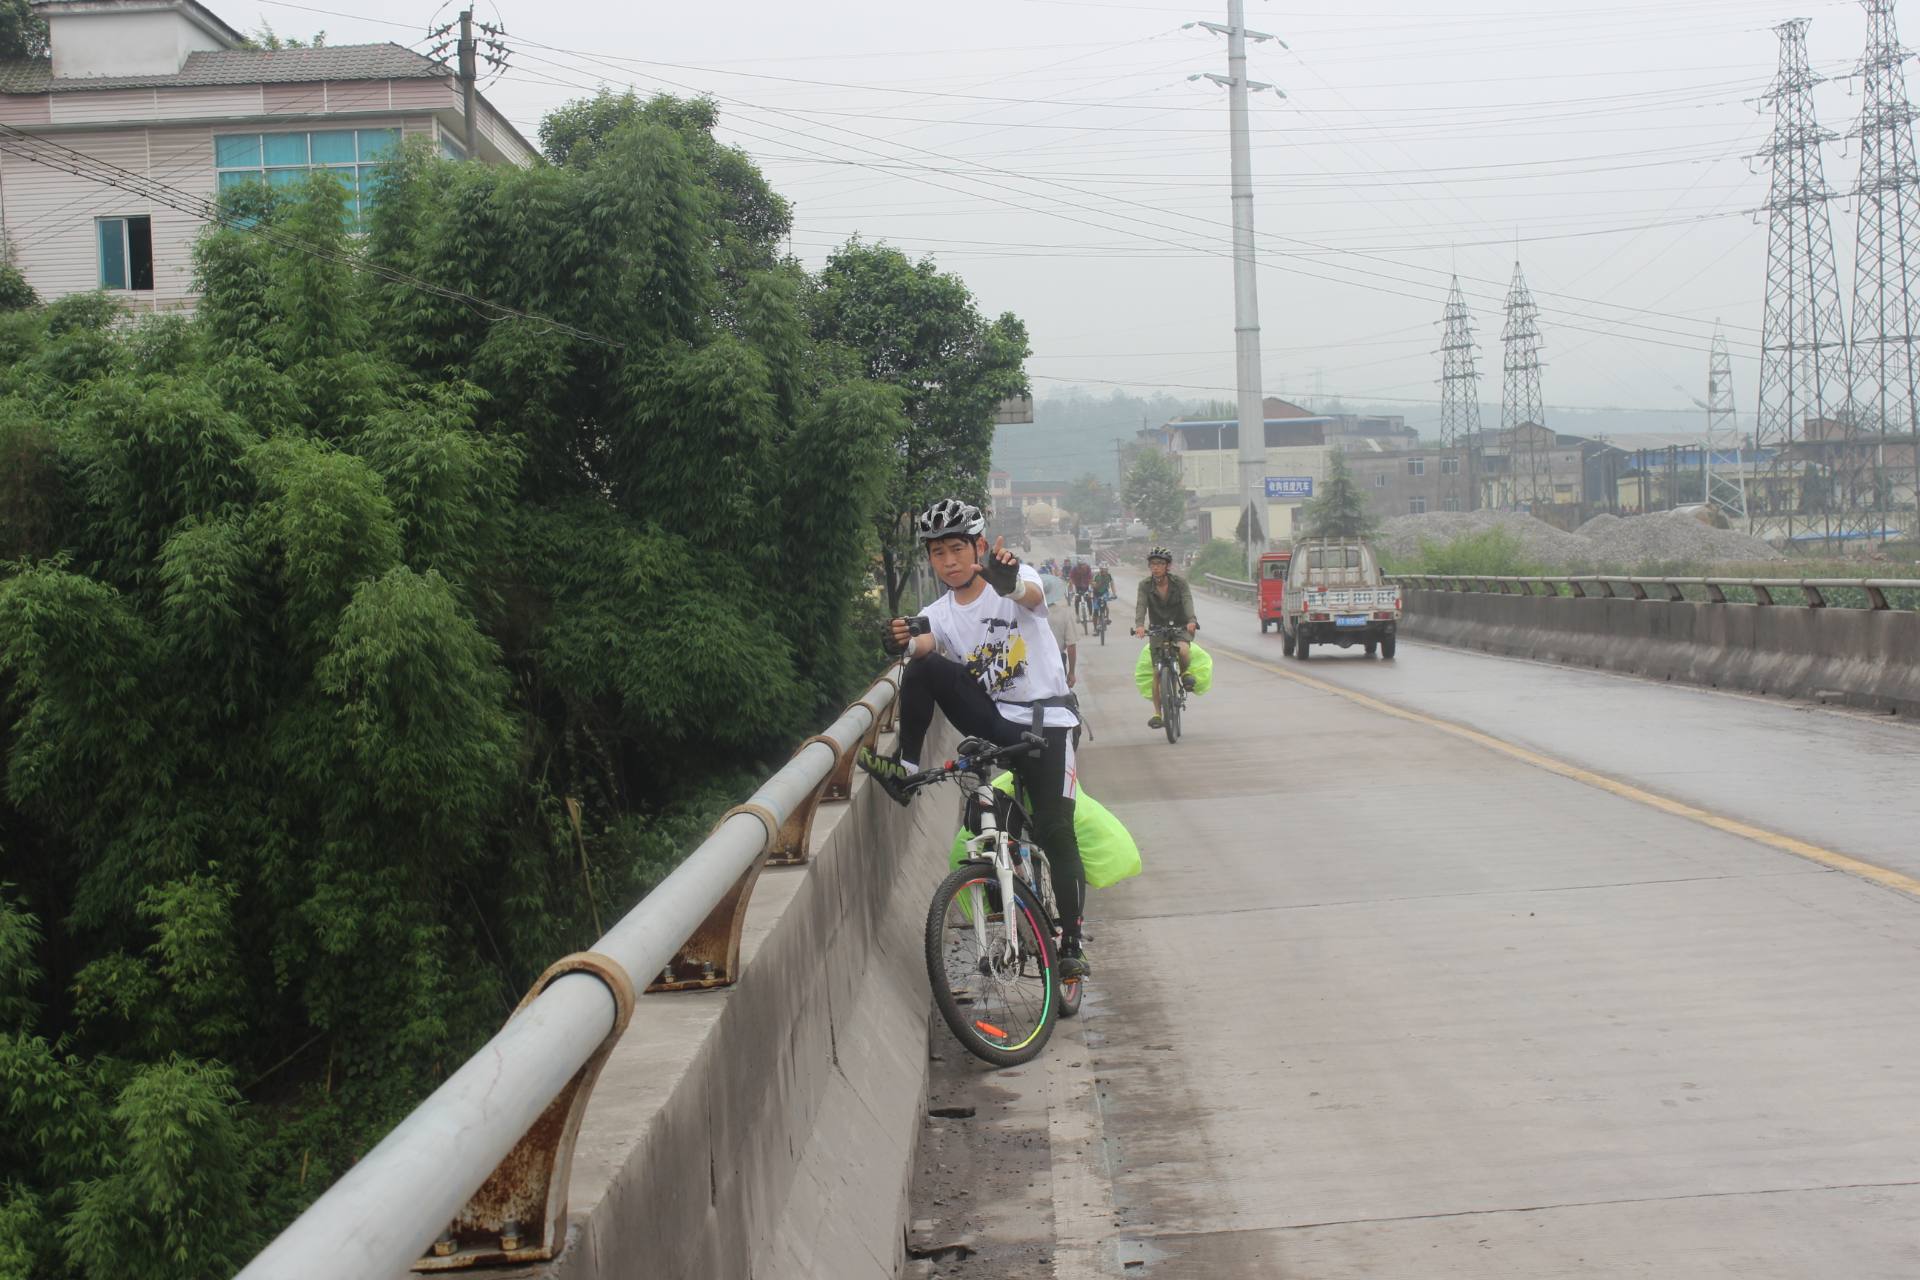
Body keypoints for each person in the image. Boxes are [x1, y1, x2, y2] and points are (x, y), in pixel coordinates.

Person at [861, 498, 1091, 979]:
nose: (948, 561)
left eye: (957, 549)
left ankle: (1070, 943)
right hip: (998, 721)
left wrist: (1006, 579)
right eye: (938, 552)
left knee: (1054, 830)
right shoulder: (940, 611)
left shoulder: (1012, 580)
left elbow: (1028, 594)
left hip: (1049, 724)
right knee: (922, 667)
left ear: (979, 547)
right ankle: (903, 774)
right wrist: (903, 638)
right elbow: (924, 641)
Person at [1132, 546, 1199, 731]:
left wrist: (1191, 620)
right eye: (1153, 564)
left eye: (1160, 564)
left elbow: (1187, 601)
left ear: (1168, 566)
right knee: (1156, 673)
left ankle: (1184, 673)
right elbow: (1141, 606)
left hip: (1180, 626)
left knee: (1183, 650)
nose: (1156, 567)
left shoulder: (1180, 583)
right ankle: (1157, 714)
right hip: (1157, 630)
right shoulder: (1145, 585)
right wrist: (1139, 625)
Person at [1039, 566, 1078, 689]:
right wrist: (1071, 672)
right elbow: (1071, 646)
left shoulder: (1027, 613)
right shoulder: (1064, 614)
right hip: (1057, 661)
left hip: (1034, 662)